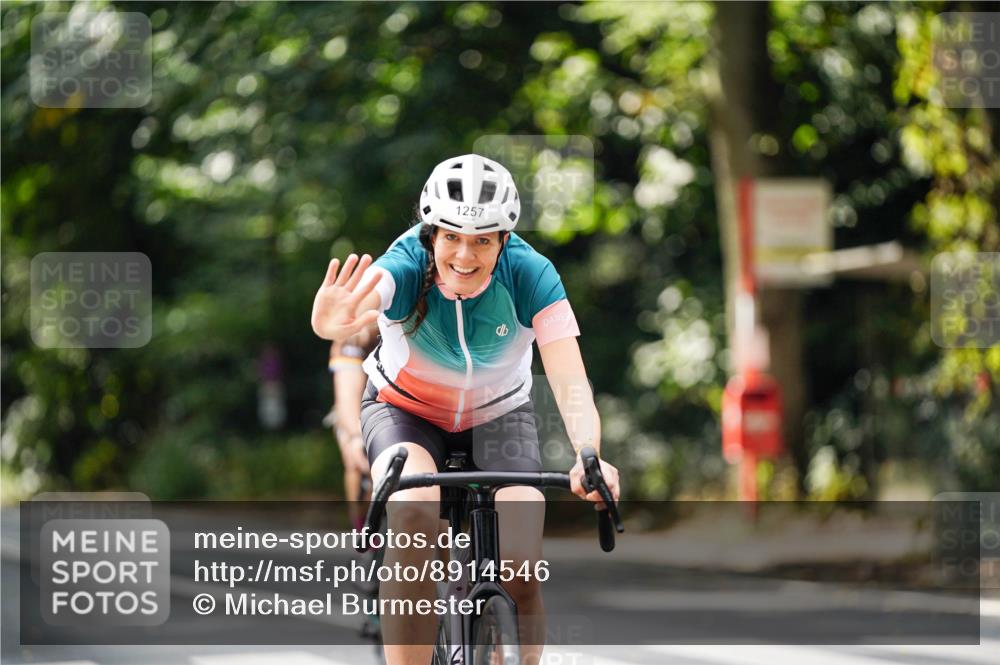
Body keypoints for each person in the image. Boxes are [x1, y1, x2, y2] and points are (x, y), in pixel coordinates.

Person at [311, 154, 620, 665]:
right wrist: (334, 324)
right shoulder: (406, 264)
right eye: (451, 236)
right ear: (430, 233)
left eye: (483, 239)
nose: (464, 254)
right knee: (413, 509)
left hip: (501, 416)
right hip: (404, 412)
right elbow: (369, 298)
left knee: (521, 566)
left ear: (505, 239)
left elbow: (570, 381)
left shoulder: (532, 274)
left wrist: (590, 454)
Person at [325, 324, 380, 529]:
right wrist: (356, 438)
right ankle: (360, 524)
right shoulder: (355, 336)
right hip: (357, 407)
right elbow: (347, 397)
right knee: (354, 456)